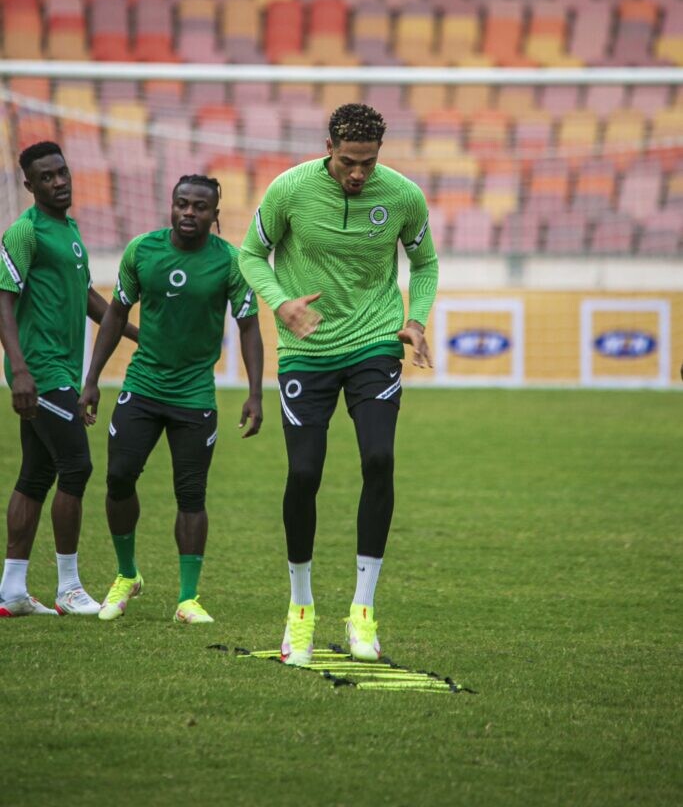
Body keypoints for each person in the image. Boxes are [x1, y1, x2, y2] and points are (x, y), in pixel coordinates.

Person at [238, 103, 439, 664]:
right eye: (349, 161)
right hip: (306, 351)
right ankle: (300, 610)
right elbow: (251, 254)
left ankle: (362, 612)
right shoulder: (289, 191)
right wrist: (280, 304)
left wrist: (415, 320)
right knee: (304, 473)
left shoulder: (402, 196)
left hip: (376, 342)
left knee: (379, 460)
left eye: (368, 164)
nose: (358, 173)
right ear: (329, 146)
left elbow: (425, 264)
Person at [78, 174, 264, 624]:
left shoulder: (232, 263)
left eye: (200, 207)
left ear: (214, 215)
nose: (188, 212)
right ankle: (127, 576)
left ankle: (187, 599)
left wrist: (256, 393)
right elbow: (116, 315)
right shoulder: (142, 251)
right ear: (171, 205)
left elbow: (249, 327)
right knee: (119, 478)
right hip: (141, 387)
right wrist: (92, 380)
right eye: (182, 203)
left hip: (194, 394)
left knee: (191, 495)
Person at [0, 141, 138, 617]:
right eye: (47, 177)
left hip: (58, 367)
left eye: (62, 173)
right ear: (30, 185)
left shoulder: (70, 229)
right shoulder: (25, 232)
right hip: (40, 370)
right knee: (76, 467)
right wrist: (18, 368)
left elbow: (86, 298)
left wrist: (137, 334)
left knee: (36, 473)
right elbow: (3, 298)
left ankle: (12, 591)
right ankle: (68, 587)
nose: (59, 182)